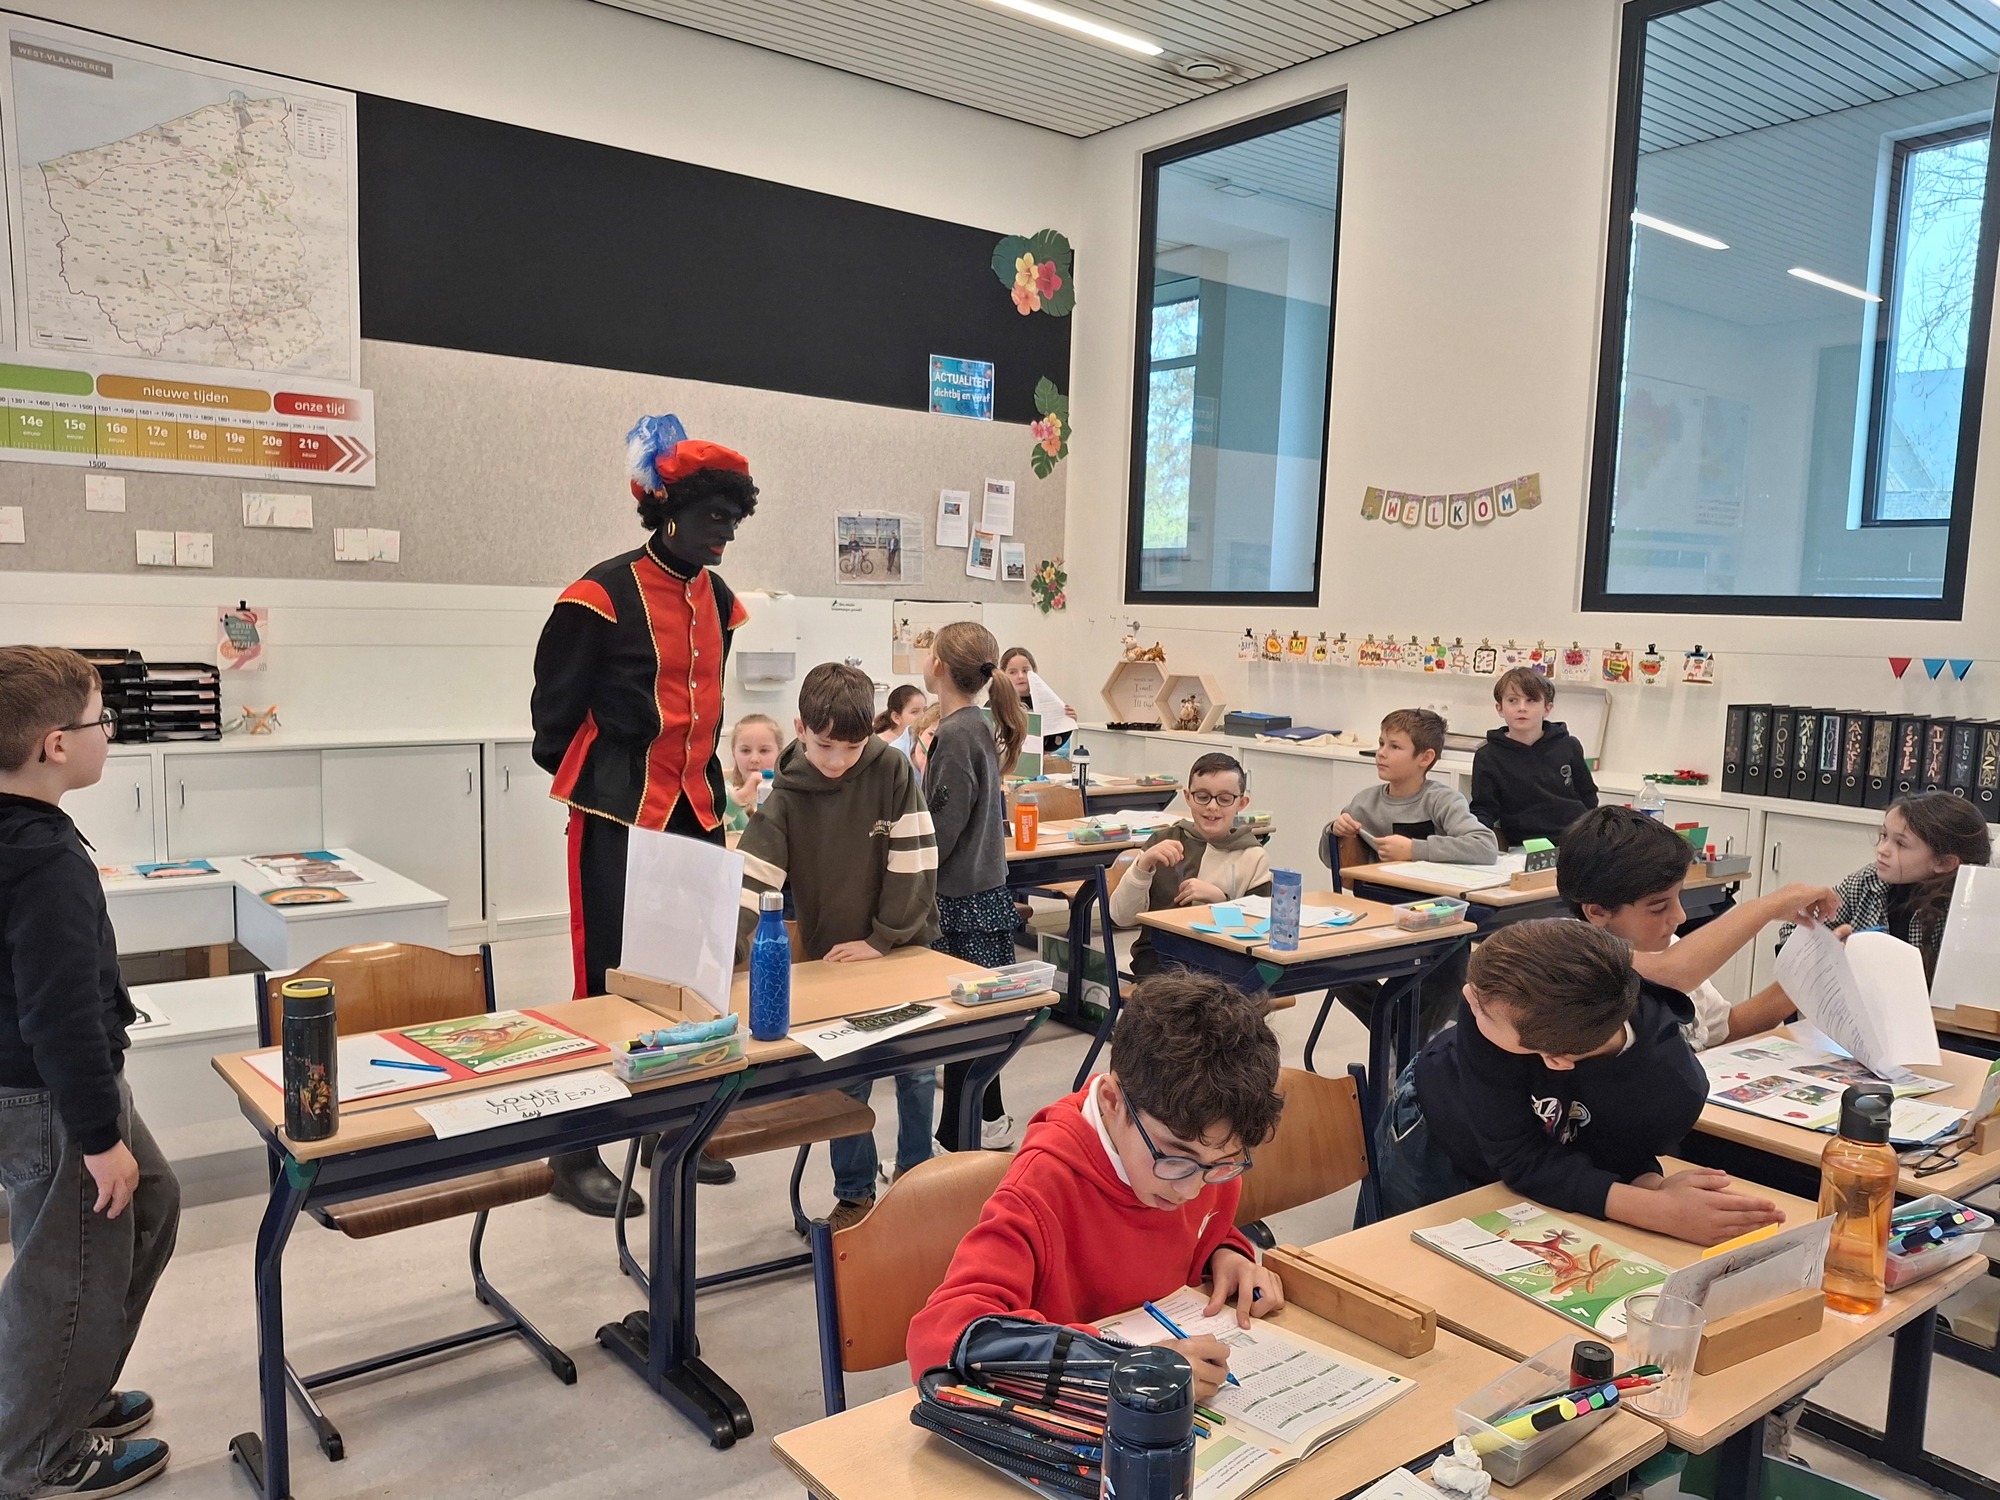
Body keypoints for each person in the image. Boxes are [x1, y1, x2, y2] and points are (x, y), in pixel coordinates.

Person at [531, 413, 758, 1211]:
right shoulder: (598, 595)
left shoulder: (719, 598)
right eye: (713, 517)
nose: (724, 534)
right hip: (617, 814)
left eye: (733, 519)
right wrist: (601, 777)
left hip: (697, 810)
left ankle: (669, 1130)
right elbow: (552, 716)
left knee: (687, 978)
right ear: (667, 511)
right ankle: (574, 1151)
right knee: (603, 980)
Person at [906, 973, 1286, 1398]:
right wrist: (1118, 1368)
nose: (1192, 1191)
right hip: (1083, 1411)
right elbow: (941, 1337)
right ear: (1111, 1101)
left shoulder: (1197, 1161)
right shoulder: (1041, 1188)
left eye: (1219, 1165)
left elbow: (1195, 1230)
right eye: (1175, 1158)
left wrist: (1225, 1253)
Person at [0, 647, 179, 1498]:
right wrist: (100, 1139)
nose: (110, 731)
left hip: (59, 1089)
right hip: (56, 1099)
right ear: (55, 745)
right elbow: (60, 1016)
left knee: (153, 1206)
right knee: (63, 1274)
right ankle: (32, 1450)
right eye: (101, 719)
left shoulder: (29, 834)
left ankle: (66, 1390)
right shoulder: (43, 862)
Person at [1374, 919, 1789, 1246]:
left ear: (1556, 1060)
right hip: (1434, 1124)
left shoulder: (1675, 1088)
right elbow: (1520, 1159)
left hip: (1534, 1155)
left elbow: (1618, 1145)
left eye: (1481, 1008)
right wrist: (1656, 1209)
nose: (1468, 997)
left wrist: (1648, 1182)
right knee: (1393, 1255)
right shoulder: (1501, 997)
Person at [735, 662, 941, 1230]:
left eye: (851, 748)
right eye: (825, 746)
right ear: (800, 729)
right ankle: (855, 1194)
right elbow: (753, 876)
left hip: (903, 948)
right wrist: (727, 952)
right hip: (836, 960)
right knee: (846, 1080)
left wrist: (883, 937)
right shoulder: (786, 792)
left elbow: (915, 858)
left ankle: (916, 1179)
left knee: (916, 1073)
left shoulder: (891, 768)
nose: (837, 761)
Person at [1557, 807, 1828, 1048]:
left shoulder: (1668, 946)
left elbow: (1722, 1030)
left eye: (1679, 897)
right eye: (1658, 907)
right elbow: (1674, 975)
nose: (1680, 916)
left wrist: (1806, 979)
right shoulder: (1574, 956)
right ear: (1597, 912)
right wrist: (1768, 906)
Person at [922, 623, 1028, 1153]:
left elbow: (942, 827)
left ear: (939, 666)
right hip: (981, 895)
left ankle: (952, 1139)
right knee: (980, 1018)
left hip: (962, 901)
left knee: (963, 1025)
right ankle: (990, 1119)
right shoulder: (973, 725)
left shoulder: (958, 733)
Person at [1325, 708, 1495, 1039]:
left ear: (1425, 758)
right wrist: (1335, 831)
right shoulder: (1364, 802)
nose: (1381, 753)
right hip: (1378, 913)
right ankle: (1400, 1040)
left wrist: (1415, 849)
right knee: (1335, 968)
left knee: (1448, 976)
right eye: (1381, 743)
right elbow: (1332, 860)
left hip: (1437, 918)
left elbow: (1484, 845)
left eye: (1394, 747)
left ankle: (1403, 1046)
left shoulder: (1442, 800)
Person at [1794, 792, 1992, 982]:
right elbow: (1793, 933)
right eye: (1884, 835)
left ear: (1944, 862)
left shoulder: (1968, 911)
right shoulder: (1868, 881)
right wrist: (1827, 951)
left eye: (1900, 844)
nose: (1881, 850)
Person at [1108, 752, 1271, 977]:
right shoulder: (1162, 842)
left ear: (1241, 803)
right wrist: (1142, 866)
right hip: (1160, 960)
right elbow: (1121, 916)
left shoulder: (1253, 856)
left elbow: (1261, 932)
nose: (1212, 807)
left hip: (1226, 961)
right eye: (1202, 796)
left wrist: (1221, 901)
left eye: (1224, 799)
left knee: (1255, 985)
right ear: (1188, 796)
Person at [1469, 667, 1598, 846]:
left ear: (1547, 708)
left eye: (1531, 700)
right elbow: (1484, 809)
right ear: (1500, 708)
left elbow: (1588, 795)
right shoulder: (1487, 756)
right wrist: (1475, 839)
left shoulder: (1569, 745)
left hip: (1574, 841)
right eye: (1513, 700)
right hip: (1522, 845)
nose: (1522, 708)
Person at [999, 646, 1075, 757]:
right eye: (1013, 672)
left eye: (1025, 671)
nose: (1020, 676)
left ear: (1034, 671)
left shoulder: (1046, 704)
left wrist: (1067, 722)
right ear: (1003, 674)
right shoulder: (996, 704)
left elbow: (1052, 744)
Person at [722, 713, 784, 835]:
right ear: (734, 753)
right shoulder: (722, 793)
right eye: (745, 751)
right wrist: (739, 798)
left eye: (764, 750)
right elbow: (708, 827)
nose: (754, 759)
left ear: (780, 752)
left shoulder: (788, 795)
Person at [872, 685, 928, 759]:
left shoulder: (923, 738)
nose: (923, 716)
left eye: (925, 710)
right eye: (914, 712)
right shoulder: (882, 745)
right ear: (896, 718)